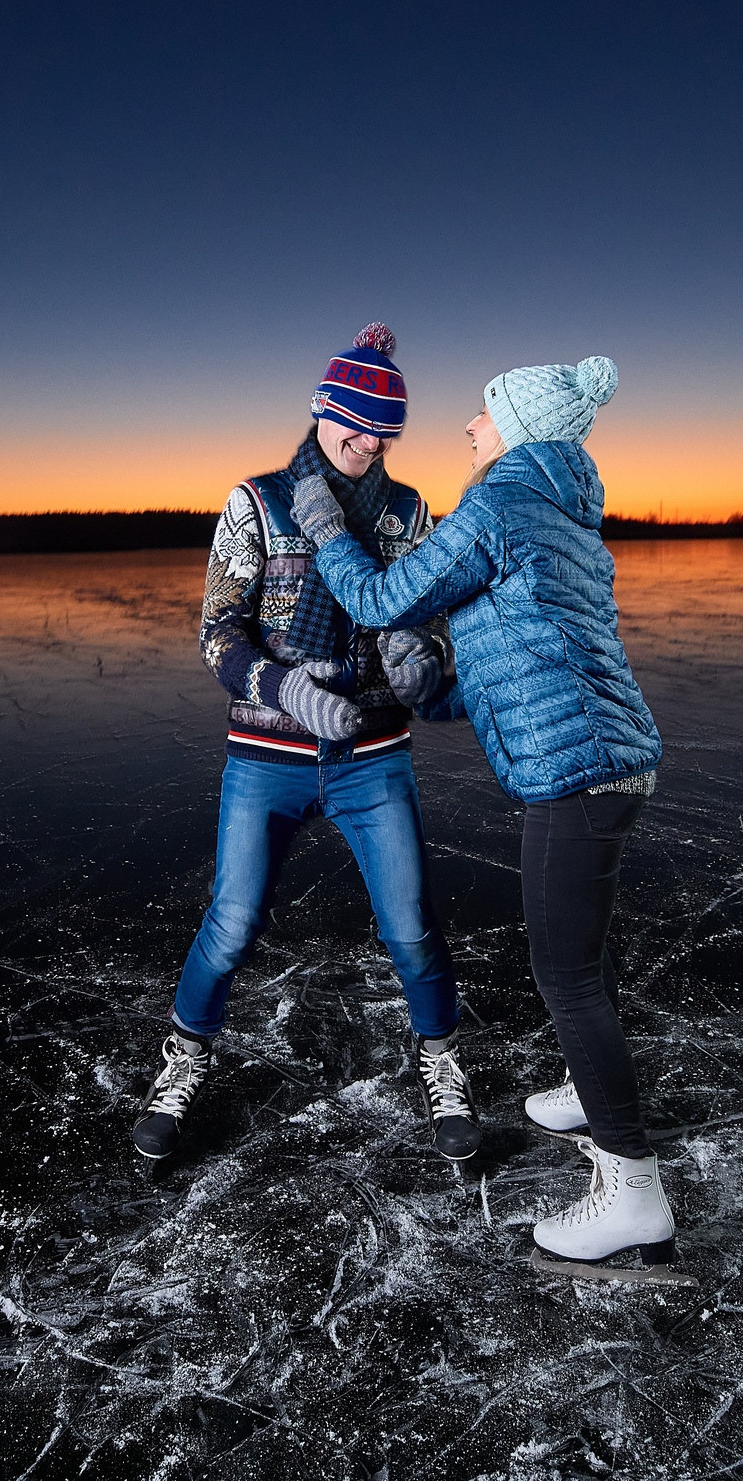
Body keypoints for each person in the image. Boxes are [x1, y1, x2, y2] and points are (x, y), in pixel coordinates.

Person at [291, 355, 677, 1280]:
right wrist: (438, 693)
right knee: (579, 961)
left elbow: (384, 598)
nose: (467, 427)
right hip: (610, 759)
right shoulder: (565, 515)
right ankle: (590, 1093)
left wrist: (320, 526)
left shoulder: (501, 502)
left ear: (517, 430)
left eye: (481, 412)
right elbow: (535, 659)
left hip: (578, 774)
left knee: (566, 976)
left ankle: (634, 1195)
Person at [132, 323, 482, 1166]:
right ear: (322, 412)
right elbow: (218, 631)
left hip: (374, 756)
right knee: (233, 921)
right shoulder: (257, 502)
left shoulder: (408, 513)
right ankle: (182, 1062)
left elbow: (435, 621)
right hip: (267, 757)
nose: (366, 444)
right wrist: (285, 687)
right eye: (352, 425)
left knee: (411, 928)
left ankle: (442, 1063)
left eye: (382, 433)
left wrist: (424, 661)